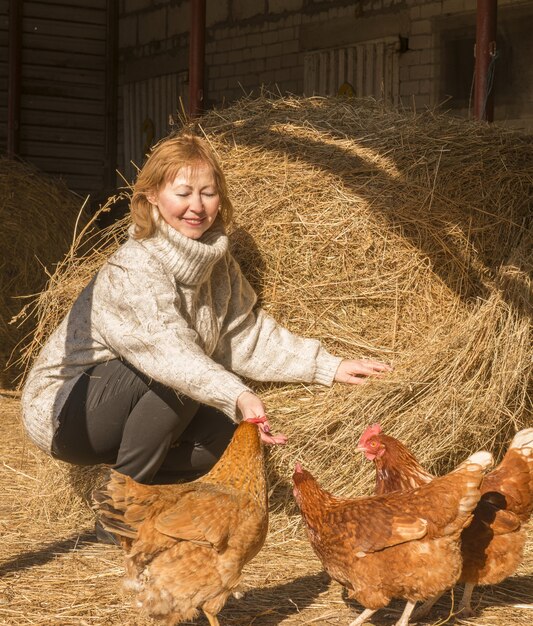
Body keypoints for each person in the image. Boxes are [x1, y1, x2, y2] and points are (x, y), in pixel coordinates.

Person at [21, 133, 391, 540]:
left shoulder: (216, 263)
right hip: (65, 409)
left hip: (124, 405)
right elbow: (169, 353)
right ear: (151, 198)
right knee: (181, 381)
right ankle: (118, 516)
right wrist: (240, 395)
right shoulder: (133, 266)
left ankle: (143, 494)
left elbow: (243, 334)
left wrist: (327, 366)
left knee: (224, 434)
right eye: (182, 192)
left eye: (208, 192)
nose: (196, 206)